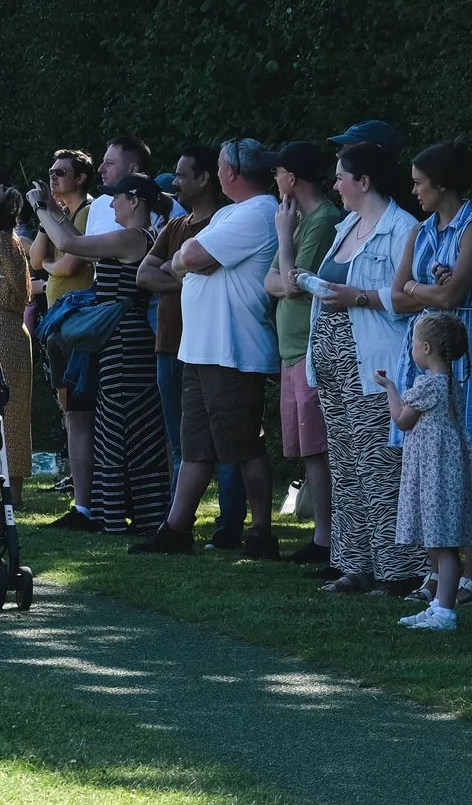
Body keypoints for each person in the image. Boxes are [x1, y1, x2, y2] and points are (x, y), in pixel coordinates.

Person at [134, 139, 284, 556]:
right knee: (196, 446)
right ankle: (176, 529)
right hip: (201, 348)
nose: (217, 174)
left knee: (244, 445)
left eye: (219, 167)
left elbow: (193, 253)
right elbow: (188, 257)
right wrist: (186, 260)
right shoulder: (231, 213)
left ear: (231, 172)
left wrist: (185, 260)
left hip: (232, 349)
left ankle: (261, 534)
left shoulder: (259, 211)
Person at [297, 143, 419, 592]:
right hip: (334, 365)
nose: (335, 185)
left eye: (341, 177)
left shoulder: (402, 229)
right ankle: (355, 565)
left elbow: (411, 298)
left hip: (373, 366)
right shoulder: (347, 224)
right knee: (346, 466)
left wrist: (360, 298)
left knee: (381, 466)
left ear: (364, 181)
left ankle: (399, 570)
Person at [34, 174, 174, 538]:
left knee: (121, 429)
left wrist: (39, 208)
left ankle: (123, 516)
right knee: (121, 427)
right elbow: (79, 244)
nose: (111, 203)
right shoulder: (137, 236)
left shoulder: (132, 237)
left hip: (126, 345)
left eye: (116, 197)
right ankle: (135, 514)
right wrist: (53, 211)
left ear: (134, 201)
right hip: (121, 341)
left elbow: (70, 243)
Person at [392, 140, 472, 582]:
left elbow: (453, 296)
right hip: (418, 352)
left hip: (458, 354)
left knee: (464, 461)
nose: (414, 191)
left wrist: (419, 289)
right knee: (425, 461)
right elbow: (396, 297)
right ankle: (438, 571)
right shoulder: (419, 232)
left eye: (420, 183)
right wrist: (426, 292)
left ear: (442, 184)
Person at [137, 147, 245, 546]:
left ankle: (229, 527)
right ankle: (177, 524)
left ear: (204, 179)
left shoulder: (224, 223)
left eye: (182, 175)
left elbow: (208, 266)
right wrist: (184, 274)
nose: (175, 182)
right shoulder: (175, 226)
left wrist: (176, 270)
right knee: (182, 443)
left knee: (227, 443)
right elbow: (143, 275)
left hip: (212, 346)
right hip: (170, 346)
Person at [379, 312, 472, 633]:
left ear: (425, 348)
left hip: (435, 475)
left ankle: (445, 613)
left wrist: (389, 387)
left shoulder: (428, 385)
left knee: (443, 545)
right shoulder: (450, 384)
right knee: (438, 542)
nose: (412, 348)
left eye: (413, 342)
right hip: (440, 472)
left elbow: (402, 419)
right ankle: (439, 605)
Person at [263, 142, 343, 564]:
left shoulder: (322, 219)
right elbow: (270, 281)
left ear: (291, 177)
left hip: (311, 349)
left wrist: (283, 236)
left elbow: (294, 282)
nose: (275, 180)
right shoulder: (297, 219)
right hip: (291, 350)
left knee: (320, 447)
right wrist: (286, 277)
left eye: (277, 172)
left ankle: (328, 540)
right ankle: (323, 536)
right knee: (308, 448)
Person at [31, 148, 99, 527]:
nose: (54, 177)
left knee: (81, 412)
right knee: (70, 412)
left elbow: (70, 264)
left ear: (80, 178)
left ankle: (88, 497)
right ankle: (81, 490)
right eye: (52, 171)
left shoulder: (87, 212)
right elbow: (36, 260)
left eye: (61, 172)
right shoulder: (61, 216)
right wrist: (47, 217)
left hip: (78, 323)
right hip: (58, 323)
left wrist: (52, 268)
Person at [0, 189, 30, 511]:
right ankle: (13, 495)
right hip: (8, 328)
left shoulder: (5, 242)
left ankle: (14, 495)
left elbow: (19, 291)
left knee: (10, 414)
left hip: (5, 332)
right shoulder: (10, 241)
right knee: (12, 413)